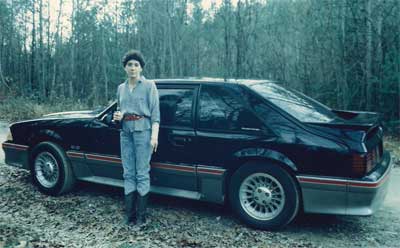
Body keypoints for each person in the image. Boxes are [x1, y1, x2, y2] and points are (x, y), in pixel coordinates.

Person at [113, 50, 160, 225]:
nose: (133, 68)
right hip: (125, 133)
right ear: (125, 68)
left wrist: (154, 137)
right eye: (129, 65)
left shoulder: (149, 86)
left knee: (142, 173)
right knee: (128, 173)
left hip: (144, 132)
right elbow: (120, 109)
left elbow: (155, 115)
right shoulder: (121, 88)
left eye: (136, 65)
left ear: (140, 68)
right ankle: (129, 214)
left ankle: (141, 216)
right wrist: (118, 116)